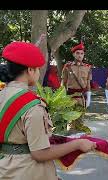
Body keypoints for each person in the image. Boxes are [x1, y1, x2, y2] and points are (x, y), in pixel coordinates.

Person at [0, 41, 96, 180]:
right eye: (38, 69)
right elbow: (40, 154)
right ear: (30, 70)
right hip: (28, 171)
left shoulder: (3, 95)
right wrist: (78, 144)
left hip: (5, 168)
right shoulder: (32, 106)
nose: (39, 72)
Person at [61, 42, 92, 133]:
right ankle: (71, 143)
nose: (80, 55)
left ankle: (79, 143)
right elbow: (63, 83)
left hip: (81, 98)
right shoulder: (68, 67)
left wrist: (89, 97)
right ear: (73, 54)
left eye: (82, 53)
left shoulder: (88, 68)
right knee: (71, 123)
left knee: (80, 122)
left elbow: (88, 83)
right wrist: (62, 97)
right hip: (70, 98)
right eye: (77, 53)